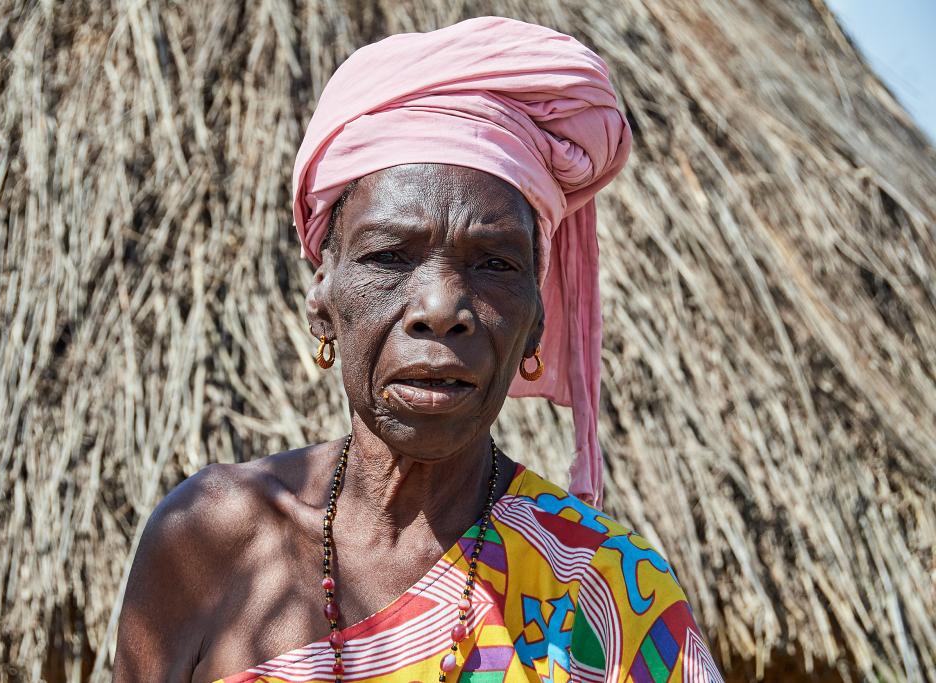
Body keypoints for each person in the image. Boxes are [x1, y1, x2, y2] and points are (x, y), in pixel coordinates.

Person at [112, 16, 724, 683]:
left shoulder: (603, 594)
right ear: (322, 302)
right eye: (391, 256)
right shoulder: (207, 539)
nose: (441, 308)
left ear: (537, 323)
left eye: (493, 263)